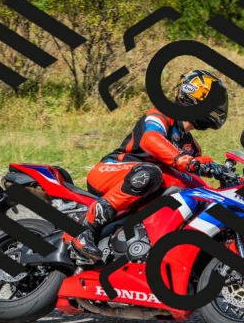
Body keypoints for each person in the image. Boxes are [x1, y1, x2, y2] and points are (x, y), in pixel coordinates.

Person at [71, 69, 229, 261]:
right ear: (194, 96)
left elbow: (194, 173)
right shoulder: (162, 114)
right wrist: (185, 161)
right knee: (151, 173)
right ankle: (83, 228)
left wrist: (219, 172)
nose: (219, 107)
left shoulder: (191, 146)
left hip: (143, 187)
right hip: (111, 171)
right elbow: (150, 138)